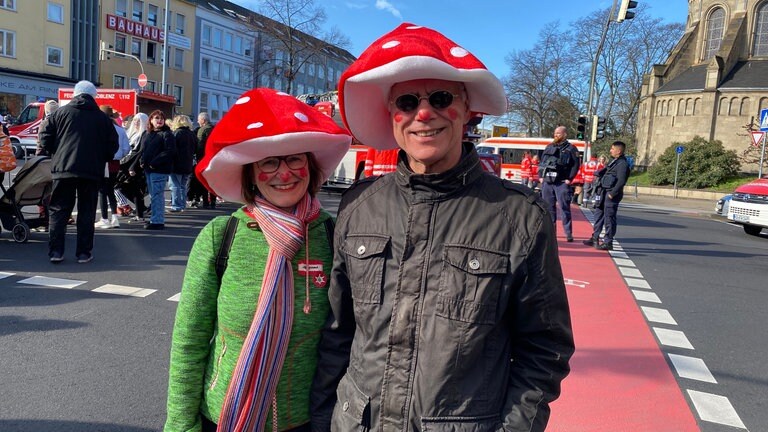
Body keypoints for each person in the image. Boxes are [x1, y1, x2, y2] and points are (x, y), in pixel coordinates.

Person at [310, 23, 574, 432]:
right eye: (408, 101)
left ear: (467, 109)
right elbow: (337, 333)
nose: (424, 113)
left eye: (440, 97)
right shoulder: (358, 205)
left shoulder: (519, 216)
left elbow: (545, 348)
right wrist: (323, 420)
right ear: (392, 115)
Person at [164, 88, 352, 432]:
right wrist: (179, 422)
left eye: (295, 158)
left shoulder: (333, 236)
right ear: (250, 173)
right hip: (223, 414)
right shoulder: (221, 236)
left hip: (307, 421)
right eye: (268, 162)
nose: (285, 173)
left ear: (309, 165)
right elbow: (189, 340)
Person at [39, 80, 118, 263]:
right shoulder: (103, 119)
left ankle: (56, 252)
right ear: (93, 96)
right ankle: (83, 252)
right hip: (91, 170)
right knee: (86, 211)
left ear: (75, 94)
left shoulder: (60, 113)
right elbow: (112, 145)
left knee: (59, 209)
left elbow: (44, 138)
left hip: (63, 168)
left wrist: (56, 152)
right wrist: (100, 157)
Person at [583, 141, 631, 251]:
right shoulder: (614, 162)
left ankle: (608, 242)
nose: (610, 150)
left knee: (609, 218)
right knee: (598, 214)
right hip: (603, 192)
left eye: (612, 149)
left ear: (618, 151)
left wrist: (612, 193)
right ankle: (595, 237)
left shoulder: (622, 164)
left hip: (611, 194)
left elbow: (621, 180)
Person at [538, 126, 581, 242]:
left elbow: (576, 165)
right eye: (555, 133)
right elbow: (542, 162)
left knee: (564, 208)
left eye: (558, 133)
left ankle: (568, 233)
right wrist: (540, 176)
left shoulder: (571, 149)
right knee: (548, 209)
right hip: (548, 182)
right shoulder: (549, 147)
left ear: (565, 134)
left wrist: (569, 178)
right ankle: (551, 233)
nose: (556, 135)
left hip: (561, 182)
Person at [95, 105, 131, 229]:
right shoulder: (120, 129)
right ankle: (114, 217)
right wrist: (119, 155)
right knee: (110, 190)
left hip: (103, 162)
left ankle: (105, 218)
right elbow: (127, 148)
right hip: (115, 163)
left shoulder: (100, 128)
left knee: (102, 191)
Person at [140, 110, 175, 230]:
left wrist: (154, 163)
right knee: (153, 195)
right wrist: (142, 161)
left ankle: (157, 221)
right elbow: (143, 150)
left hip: (159, 169)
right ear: (151, 120)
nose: (159, 120)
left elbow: (170, 151)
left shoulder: (167, 134)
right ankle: (155, 219)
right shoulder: (148, 133)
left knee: (157, 195)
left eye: (161, 118)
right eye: (156, 118)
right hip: (149, 169)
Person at [168, 115, 196, 212]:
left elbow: (172, 149)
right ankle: (182, 205)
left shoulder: (176, 133)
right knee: (183, 185)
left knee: (175, 185)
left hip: (176, 163)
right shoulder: (191, 134)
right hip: (188, 163)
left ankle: (176, 205)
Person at [196, 111, 217, 209]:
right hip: (215, 158)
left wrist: (198, 158)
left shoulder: (202, 130)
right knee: (213, 181)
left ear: (203, 120)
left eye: (199, 119)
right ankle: (213, 201)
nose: (198, 121)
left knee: (204, 181)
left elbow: (199, 145)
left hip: (204, 158)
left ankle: (205, 202)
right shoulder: (215, 129)